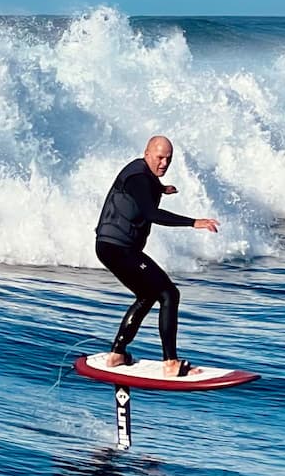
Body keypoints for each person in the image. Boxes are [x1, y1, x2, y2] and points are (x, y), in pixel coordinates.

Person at [94, 136, 219, 377]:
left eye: (168, 159)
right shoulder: (140, 178)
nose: (163, 163)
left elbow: (139, 193)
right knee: (169, 294)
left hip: (109, 247)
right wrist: (194, 222)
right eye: (160, 158)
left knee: (147, 294)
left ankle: (117, 354)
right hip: (120, 248)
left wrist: (161, 188)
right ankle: (170, 362)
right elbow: (151, 213)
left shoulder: (141, 175)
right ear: (147, 154)